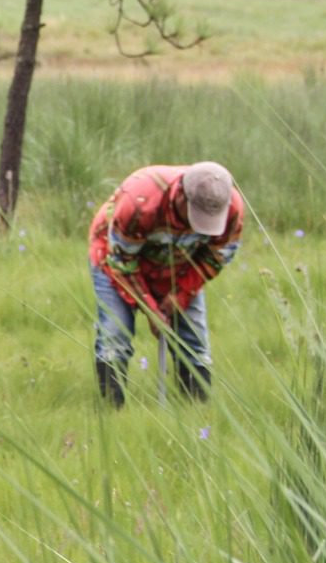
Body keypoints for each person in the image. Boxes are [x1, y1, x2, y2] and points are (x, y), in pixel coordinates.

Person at [88, 161, 244, 406]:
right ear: (181, 195)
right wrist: (151, 309)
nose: (199, 225)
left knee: (193, 338)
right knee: (115, 331)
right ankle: (111, 413)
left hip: (181, 263)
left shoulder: (230, 208)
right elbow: (122, 262)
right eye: (197, 215)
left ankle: (197, 413)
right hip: (115, 255)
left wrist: (179, 295)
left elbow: (218, 255)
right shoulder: (139, 203)